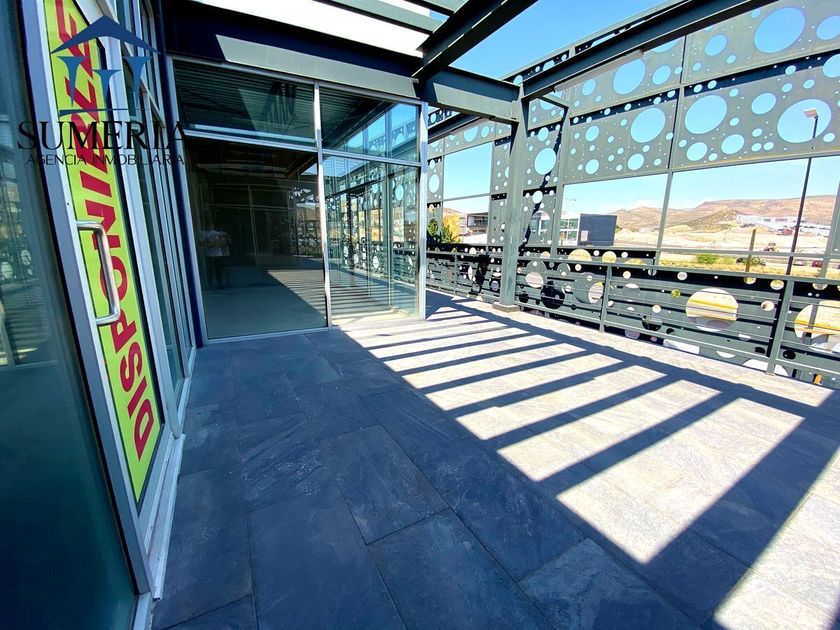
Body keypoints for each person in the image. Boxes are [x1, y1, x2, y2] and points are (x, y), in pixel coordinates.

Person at [199, 224, 230, 290]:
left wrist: (219, 243)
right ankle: (210, 284)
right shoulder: (204, 233)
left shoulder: (219, 233)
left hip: (218, 254)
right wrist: (211, 243)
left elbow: (225, 243)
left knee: (219, 270)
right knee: (210, 270)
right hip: (209, 255)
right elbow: (201, 243)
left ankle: (219, 284)